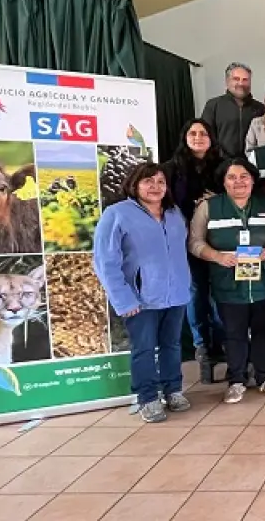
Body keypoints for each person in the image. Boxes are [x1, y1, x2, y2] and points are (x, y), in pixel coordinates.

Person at [93, 162, 192, 423]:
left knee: (172, 345)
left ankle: (173, 390)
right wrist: (124, 299)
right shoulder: (117, 214)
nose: (155, 187)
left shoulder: (174, 213)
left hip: (176, 294)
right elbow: (105, 261)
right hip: (141, 299)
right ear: (134, 184)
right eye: (148, 181)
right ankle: (147, 398)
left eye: (160, 182)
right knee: (144, 349)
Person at [188, 158, 265, 404]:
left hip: (263, 283)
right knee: (234, 333)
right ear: (223, 182)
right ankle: (236, 380)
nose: (238, 182)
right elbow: (194, 242)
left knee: (264, 331)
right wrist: (216, 256)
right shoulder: (209, 207)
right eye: (231, 177)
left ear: (253, 180)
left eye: (244, 176)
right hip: (227, 283)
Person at [159, 119, 225, 384]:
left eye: (203, 133)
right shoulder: (170, 169)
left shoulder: (223, 166)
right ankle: (202, 348)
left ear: (212, 138)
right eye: (193, 133)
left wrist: (215, 202)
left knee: (220, 294)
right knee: (195, 293)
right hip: (185, 242)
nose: (198, 137)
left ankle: (223, 344)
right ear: (185, 137)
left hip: (220, 240)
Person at [200, 62, 265, 158]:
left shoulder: (260, 108)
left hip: (251, 163)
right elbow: (206, 136)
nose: (241, 83)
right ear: (227, 81)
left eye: (245, 80)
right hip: (221, 163)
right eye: (236, 79)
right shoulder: (213, 105)